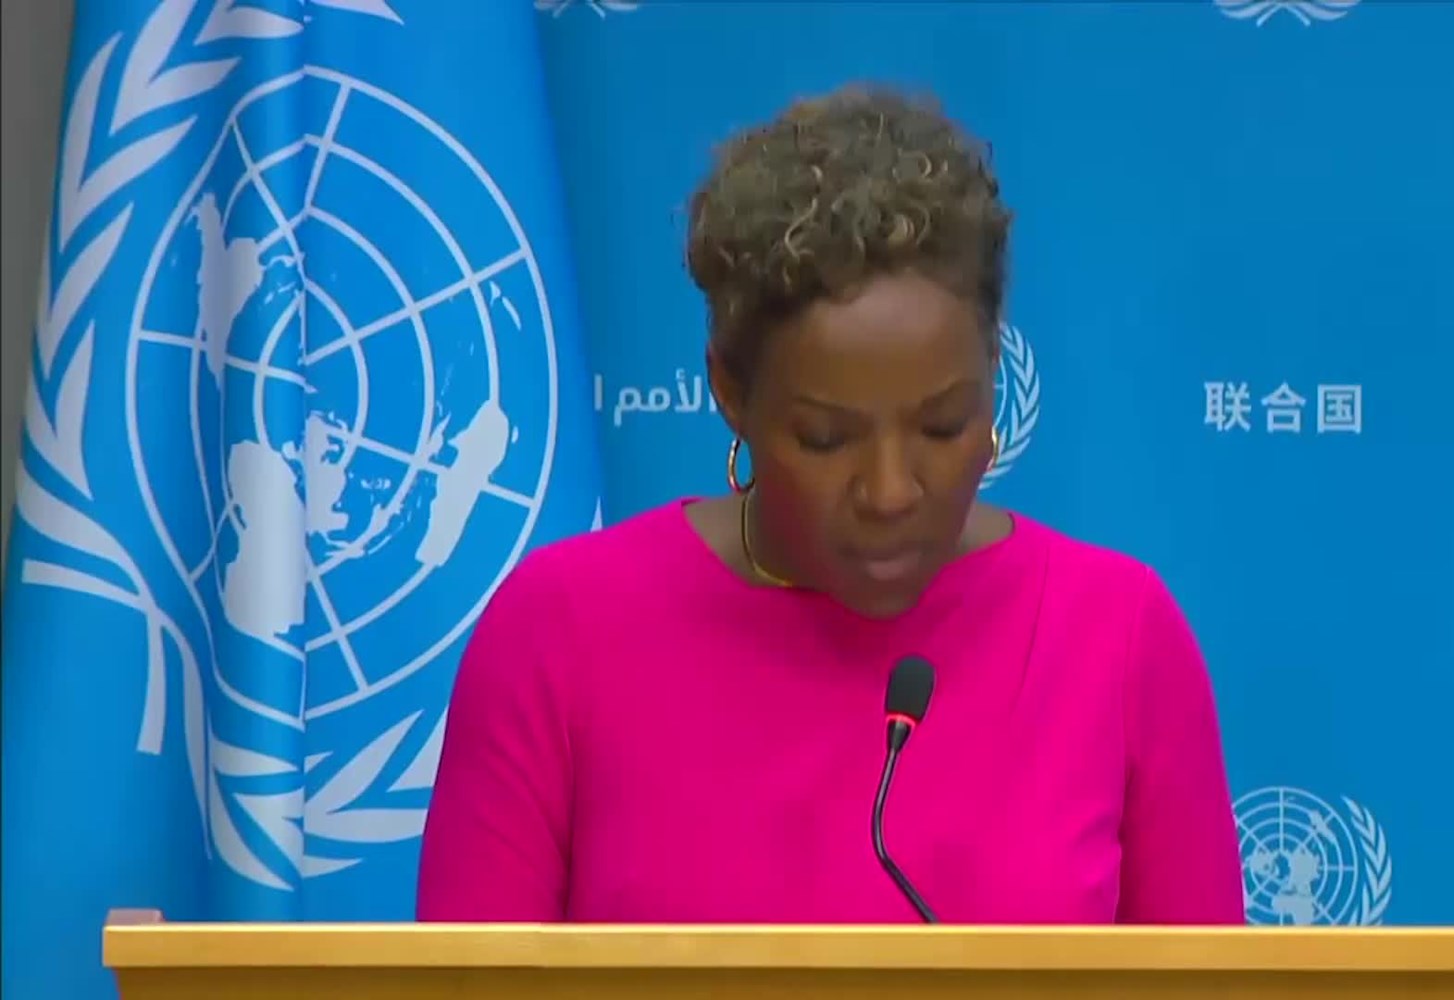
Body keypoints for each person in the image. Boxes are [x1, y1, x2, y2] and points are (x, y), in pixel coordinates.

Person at [414, 84, 1245, 925]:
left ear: (994, 370)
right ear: (730, 392)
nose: (889, 492)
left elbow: (1210, 981)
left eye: (941, 426)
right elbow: (465, 979)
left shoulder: (1116, 635)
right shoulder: (561, 631)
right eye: (824, 438)